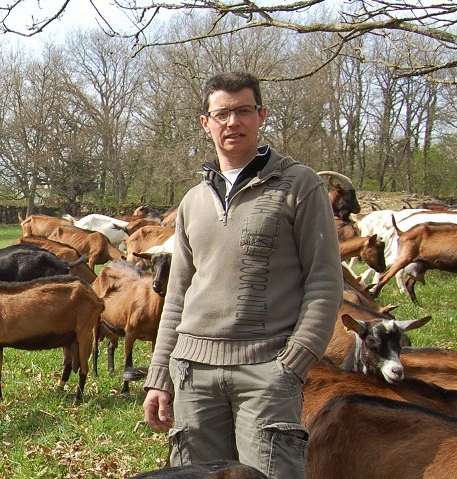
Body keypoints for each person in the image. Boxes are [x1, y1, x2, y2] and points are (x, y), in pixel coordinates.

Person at [141, 72, 343, 479]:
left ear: (261, 115)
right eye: (222, 114)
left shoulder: (299, 185)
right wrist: (159, 376)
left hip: (266, 370)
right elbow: (177, 295)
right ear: (206, 123)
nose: (232, 122)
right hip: (193, 374)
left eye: (243, 111)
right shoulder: (193, 201)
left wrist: (293, 363)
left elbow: (324, 282)